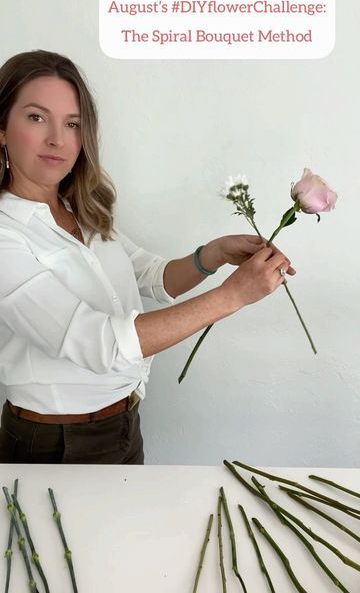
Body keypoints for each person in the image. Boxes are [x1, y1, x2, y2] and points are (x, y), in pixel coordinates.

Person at [0, 50, 295, 465]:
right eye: (36, 118)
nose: (57, 139)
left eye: (72, 124)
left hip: (125, 424)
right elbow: (101, 343)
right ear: (1, 128)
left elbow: (153, 277)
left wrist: (212, 254)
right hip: (54, 444)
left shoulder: (82, 211)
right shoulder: (6, 237)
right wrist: (232, 297)